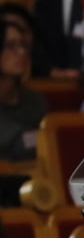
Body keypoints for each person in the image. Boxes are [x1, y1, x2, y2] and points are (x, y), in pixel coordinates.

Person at [0, 16, 47, 161]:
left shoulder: (35, 100)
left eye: (23, 45)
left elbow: (48, 143)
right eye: (11, 46)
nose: (22, 52)